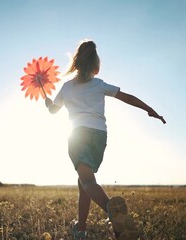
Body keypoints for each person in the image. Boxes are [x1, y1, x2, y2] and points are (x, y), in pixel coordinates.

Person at [45, 40, 165, 240]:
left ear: (76, 64)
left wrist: (48, 103)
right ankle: (81, 229)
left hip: (78, 135)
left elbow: (53, 110)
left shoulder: (66, 88)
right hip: (99, 137)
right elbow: (127, 97)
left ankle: (113, 212)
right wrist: (149, 110)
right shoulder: (99, 84)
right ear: (95, 67)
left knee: (88, 181)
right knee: (83, 182)